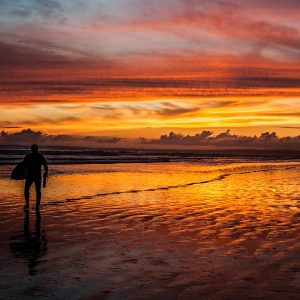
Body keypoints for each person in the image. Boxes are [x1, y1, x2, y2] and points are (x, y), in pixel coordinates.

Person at [23, 144, 48, 210]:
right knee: (37, 191)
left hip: (30, 175)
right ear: (37, 149)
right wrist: (45, 173)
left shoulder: (28, 156)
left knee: (26, 189)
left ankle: (28, 204)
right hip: (37, 176)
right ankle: (37, 204)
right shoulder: (40, 156)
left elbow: (23, 165)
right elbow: (45, 166)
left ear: (31, 149)